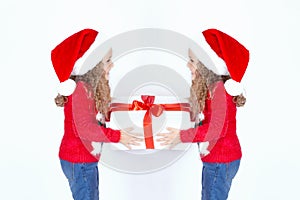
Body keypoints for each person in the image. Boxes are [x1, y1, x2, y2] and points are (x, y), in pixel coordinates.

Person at [157, 29, 249, 200]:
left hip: (220, 162)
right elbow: (205, 113)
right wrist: (169, 107)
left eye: (192, 61)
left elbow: (215, 129)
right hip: (220, 161)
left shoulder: (219, 91)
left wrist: (180, 135)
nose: (188, 65)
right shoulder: (213, 90)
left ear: (208, 66)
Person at [51, 29, 142, 200]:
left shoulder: (87, 89)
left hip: (82, 161)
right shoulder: (80, 91)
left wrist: (127, 107)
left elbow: (95, 116)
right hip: (79, 162)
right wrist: (119, 136)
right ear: (92, 66)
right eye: (107, 61)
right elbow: (86, 129)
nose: (112, 65)